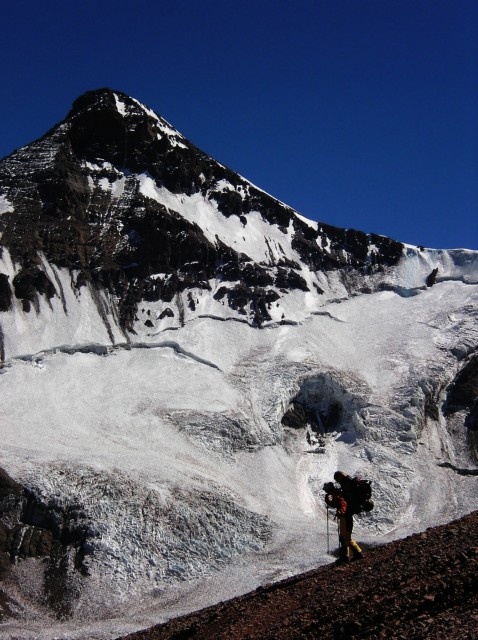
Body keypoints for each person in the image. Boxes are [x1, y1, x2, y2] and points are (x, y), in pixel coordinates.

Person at [323, 481, 364, 563]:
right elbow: (335, 503)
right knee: (346, 537)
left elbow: (343, 503)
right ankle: (355, 554)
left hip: (344, 518)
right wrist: (327, 498)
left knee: (344, 537)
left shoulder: (336, 495)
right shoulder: (336, 493)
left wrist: (341, 511)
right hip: (346, 517)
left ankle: (346, 556)